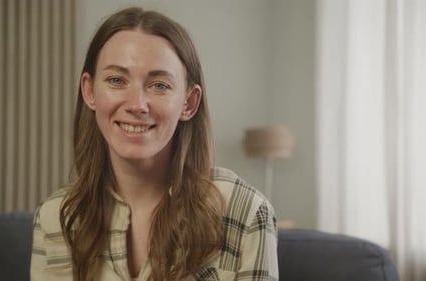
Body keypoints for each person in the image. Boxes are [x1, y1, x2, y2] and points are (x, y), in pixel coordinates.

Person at [31, 6, 278, 281]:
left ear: (189, 102)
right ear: (89, 92)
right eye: (116, 80)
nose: (137, 105)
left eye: (159, 85)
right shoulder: (56, 217)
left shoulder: (247, 211)